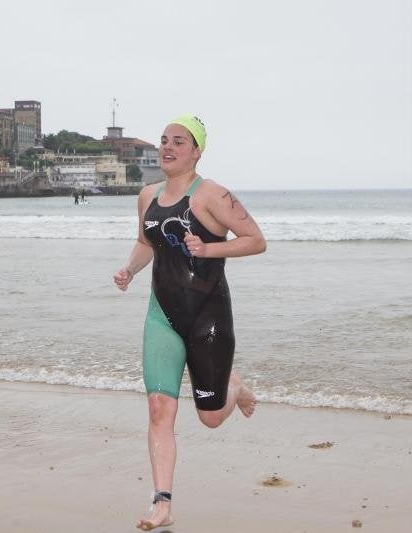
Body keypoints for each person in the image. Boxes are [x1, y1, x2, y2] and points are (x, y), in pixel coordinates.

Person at [112, 114, 266, 531]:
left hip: (208, 316)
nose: (168, 147)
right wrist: (130, 269)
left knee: (211, 418)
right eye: (164, 140)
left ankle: (234, 386)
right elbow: (148, 242)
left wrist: (210, 250)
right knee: (160, 408)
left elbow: (256, 240)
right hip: (162, 315)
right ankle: (162, 504)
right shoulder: (147, 196)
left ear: (197, 151)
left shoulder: (213, 195)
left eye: (179, 141)